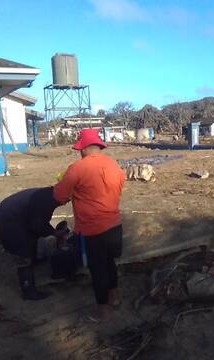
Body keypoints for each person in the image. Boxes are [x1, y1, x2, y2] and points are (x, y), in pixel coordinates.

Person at [54, 128, 126, 321]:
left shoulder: (77, 168)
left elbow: (60, 196)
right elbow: (119, 187)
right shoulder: (114, 165)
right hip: (114, 225)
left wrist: (69, 187)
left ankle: (104, 310)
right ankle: (115, 296)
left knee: (97, 269)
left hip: (91, 229)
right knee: (110, 262)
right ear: (99, 146)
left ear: (84, 148)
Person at [0, 186, 67, 301]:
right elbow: (38, 225)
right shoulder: (46, 201)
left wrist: (51, 231)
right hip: (6, 223)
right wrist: (55, 233)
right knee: (23, 252)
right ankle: (29, 292)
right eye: (67, 200)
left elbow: (40, 221)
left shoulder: (47, 194)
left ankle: (33, 260)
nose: (66, 203)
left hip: (9, 217)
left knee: (31, 237)